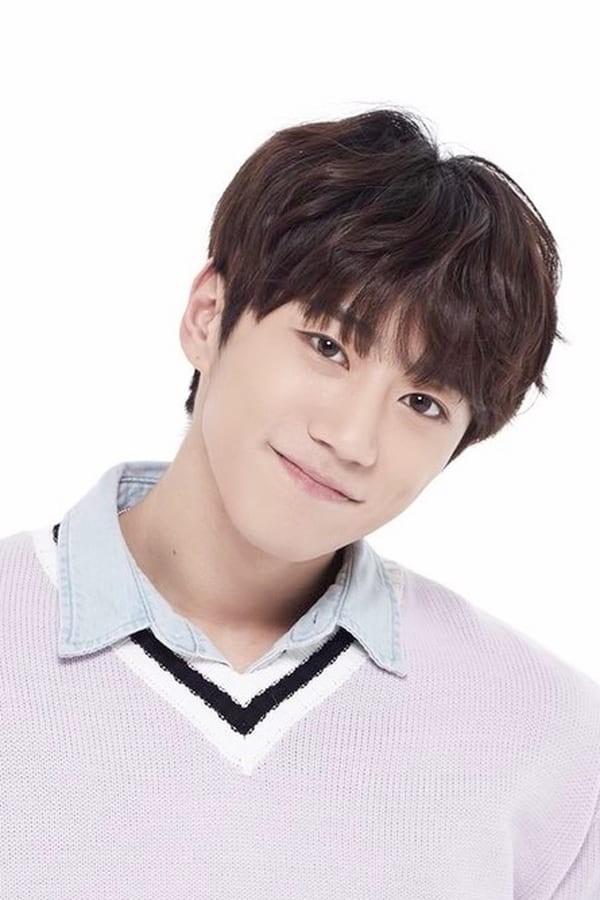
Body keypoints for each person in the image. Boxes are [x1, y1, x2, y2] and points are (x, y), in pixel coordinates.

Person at [2, 107, 599, 899]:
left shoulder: (546, 732)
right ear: (208, 316)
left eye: (422, 403)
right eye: (328, 346)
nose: (352, 438)